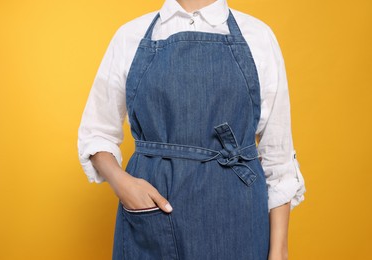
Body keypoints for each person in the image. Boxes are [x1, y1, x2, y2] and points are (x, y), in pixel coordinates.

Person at [77, 0, 306, 259]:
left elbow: (278, 157)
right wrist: (124, 185)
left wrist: (279, 250)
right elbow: (97, 133)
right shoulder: (130, 36)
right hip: (153, 213)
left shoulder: (258, 36)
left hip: (238, 219)